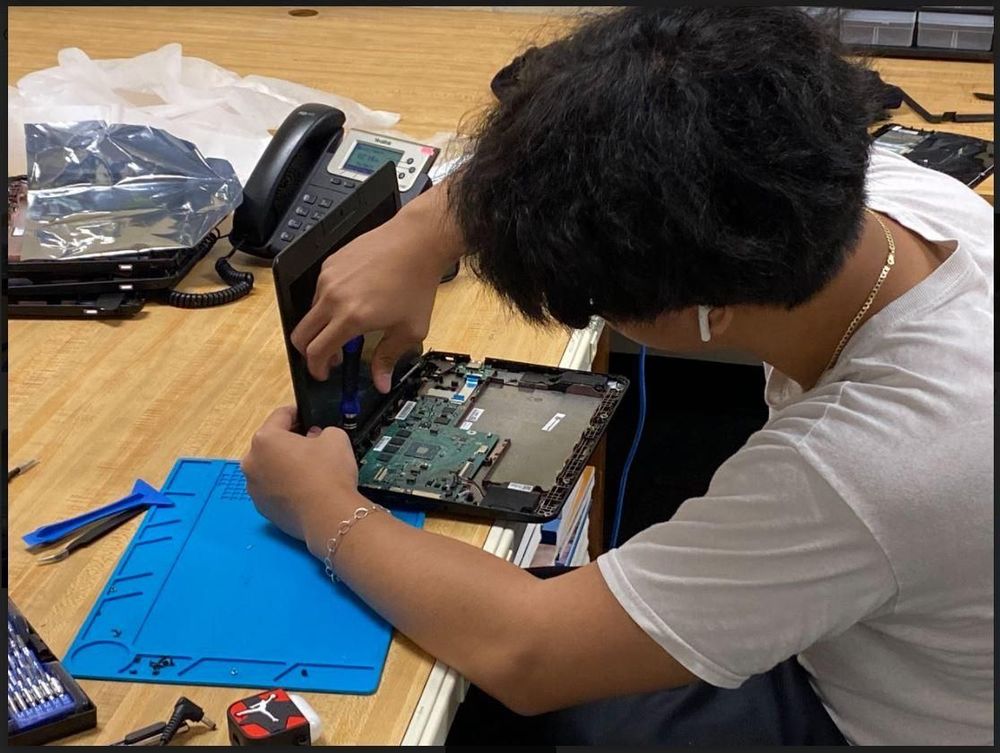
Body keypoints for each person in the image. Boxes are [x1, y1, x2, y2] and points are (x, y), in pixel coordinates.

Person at [240, 7, 993, 745]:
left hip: (871, 712)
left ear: (706, 310)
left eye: (595, 304)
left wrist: (320, 505)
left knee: (501, 702)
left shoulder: (862, 466)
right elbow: (657, 134)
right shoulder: (869, 194)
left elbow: (530, 651)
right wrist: (418, 231)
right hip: (903, 621)